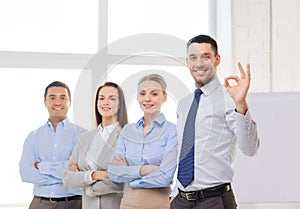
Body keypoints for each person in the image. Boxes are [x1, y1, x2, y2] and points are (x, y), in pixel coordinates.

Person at [170, 34, 260, 209]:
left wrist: (241, 104)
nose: (199, 63)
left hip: (214, 200)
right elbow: (183, 151)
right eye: (193, 57)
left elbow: (250, 149)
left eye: (206, 56)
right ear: (187, 61)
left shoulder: (229, 99)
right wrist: (175, 193)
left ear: (217, 59)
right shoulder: (184, 104)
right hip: (181, 201)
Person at [108, 74, 178, 209]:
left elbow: (165, 177)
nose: (147, 98)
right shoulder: (128, 130)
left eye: (154, 94)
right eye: (142, 93)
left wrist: (129, 173)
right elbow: (113, 172)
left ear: (164, 97)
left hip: (159, 202)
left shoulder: (171, 130)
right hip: (128, 202)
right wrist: (144, 170)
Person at [19, 81, 87, 209]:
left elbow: (83, 171)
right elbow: (26, 173)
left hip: (74, 203)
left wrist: (42, 166)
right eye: (52, 97)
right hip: (39, 203)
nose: (57, 102)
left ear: (69, 102)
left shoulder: (83, 135)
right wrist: (67, 178)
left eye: (62, 97)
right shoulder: (33, 136)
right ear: (45, 102)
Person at [62, 82, 128, 209]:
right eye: (101, 98)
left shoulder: (126, 137)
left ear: (120, 104)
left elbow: (121, 182)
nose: (105, 102)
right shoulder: (85, 138)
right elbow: (67, 177)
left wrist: (84, 184)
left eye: (112, 98)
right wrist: (94, 175)